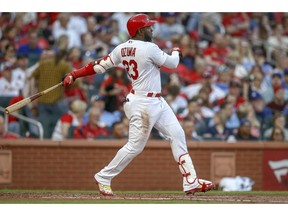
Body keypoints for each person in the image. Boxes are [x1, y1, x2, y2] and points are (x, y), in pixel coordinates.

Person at [63, 13, 214, 196]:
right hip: (143, 103)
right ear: (140, 30)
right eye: (148, 26)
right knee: (135, 146)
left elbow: (98, 65)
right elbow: (173, 63)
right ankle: (104, 176)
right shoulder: (149, 48)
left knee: (177, 134)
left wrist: (74, 74)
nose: (151, 28)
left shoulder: (121, 48)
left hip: (155, 100)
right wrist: (175, 50)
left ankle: (190, 180)